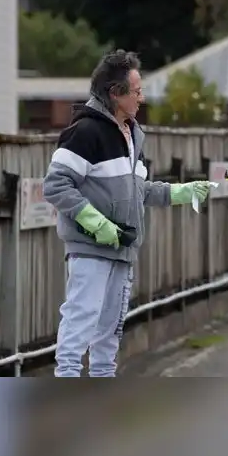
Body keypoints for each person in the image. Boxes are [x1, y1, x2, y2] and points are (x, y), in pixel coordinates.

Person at [43, 49, 214, 377]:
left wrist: (182, 192)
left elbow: (140, 190)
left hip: (123, 250)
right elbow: (55, 185)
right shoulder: (85, 132)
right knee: (80, 325)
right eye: (136, 91)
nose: (142, 98)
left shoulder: (133, 136)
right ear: (115, 93)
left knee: (109, 337)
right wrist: (97, 225)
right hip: (91, 251)